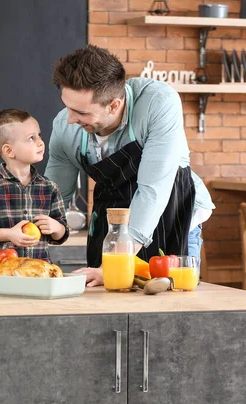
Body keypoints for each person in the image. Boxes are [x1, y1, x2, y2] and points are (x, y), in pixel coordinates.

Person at [44, 45, 215, 286]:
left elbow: (153, 190)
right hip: (112, 228)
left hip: (173, 215)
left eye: (79, 112)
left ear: (114, 105)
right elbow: (54, 198)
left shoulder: (158, 103)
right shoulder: (65, 125)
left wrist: (117, 261)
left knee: (172, 311)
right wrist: (18, 237)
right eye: (67, 106)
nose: (69, 119)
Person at [0, 109, 69, 262]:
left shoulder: (49, 187)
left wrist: (57, 227)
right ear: (9, 150)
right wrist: (9, 234)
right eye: (31, 138)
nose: (40, 142)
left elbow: (61, 233)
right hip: (4, 272)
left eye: (39, 135)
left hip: (40, 271)